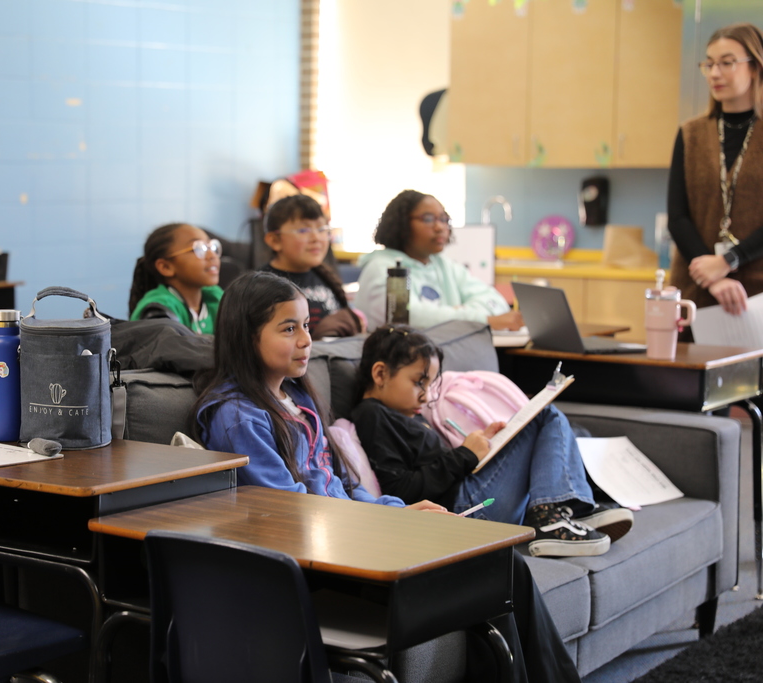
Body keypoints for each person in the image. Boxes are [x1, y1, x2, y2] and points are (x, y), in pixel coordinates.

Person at [190, 271, 581, 683]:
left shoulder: (298, 399)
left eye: (306, 325)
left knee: (502, 565)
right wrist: (385, 526)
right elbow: (290, 510)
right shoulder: (237, 416)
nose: (306, 339)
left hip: (354, 538)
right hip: (332, 563)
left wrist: (401, 512)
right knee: (491, 573)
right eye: (289, 329)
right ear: (245, 336)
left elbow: (342, 485)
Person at [351, 325, 634, 558]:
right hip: (467, 509)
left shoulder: (405, 414)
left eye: (430, 384)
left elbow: (434, 464)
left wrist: (485, 444)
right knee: (545, 416)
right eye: (418, 382)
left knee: (544, 416)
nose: (426, 396)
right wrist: (464, 455)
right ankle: (554, 516)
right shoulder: (373, 416)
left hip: (470, 496)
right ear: (380, 374)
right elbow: (401, 490)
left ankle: (565, 510)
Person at [668, 23, 763, 320]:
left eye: (726, 63)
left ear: (755, 67)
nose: (715, 73)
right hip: (695, 293)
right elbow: (678, 216)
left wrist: (729, 260)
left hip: (756, 297)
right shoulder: (691, 133)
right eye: (708, 64)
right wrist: (712, 275)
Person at [356, 190, 523, 331]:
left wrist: (454, 314)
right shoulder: (381, 268)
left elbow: (497, 303)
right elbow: (409, 318)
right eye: (428, 219)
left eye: (443, 219)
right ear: (401, 224)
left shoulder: (444, 266)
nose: (439, 227)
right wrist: (482, 320)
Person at [260, 194, 362, 339]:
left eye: (322, 229)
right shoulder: (262, 286)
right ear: (274, 240)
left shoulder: (325, 277)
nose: (316, 238)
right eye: (304, 230)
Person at [128, 223, 224, 334]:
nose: (212, 255)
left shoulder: (215, 297)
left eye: (211, 246)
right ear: (166, 267)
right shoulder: (158, 310)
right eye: (199, 249)